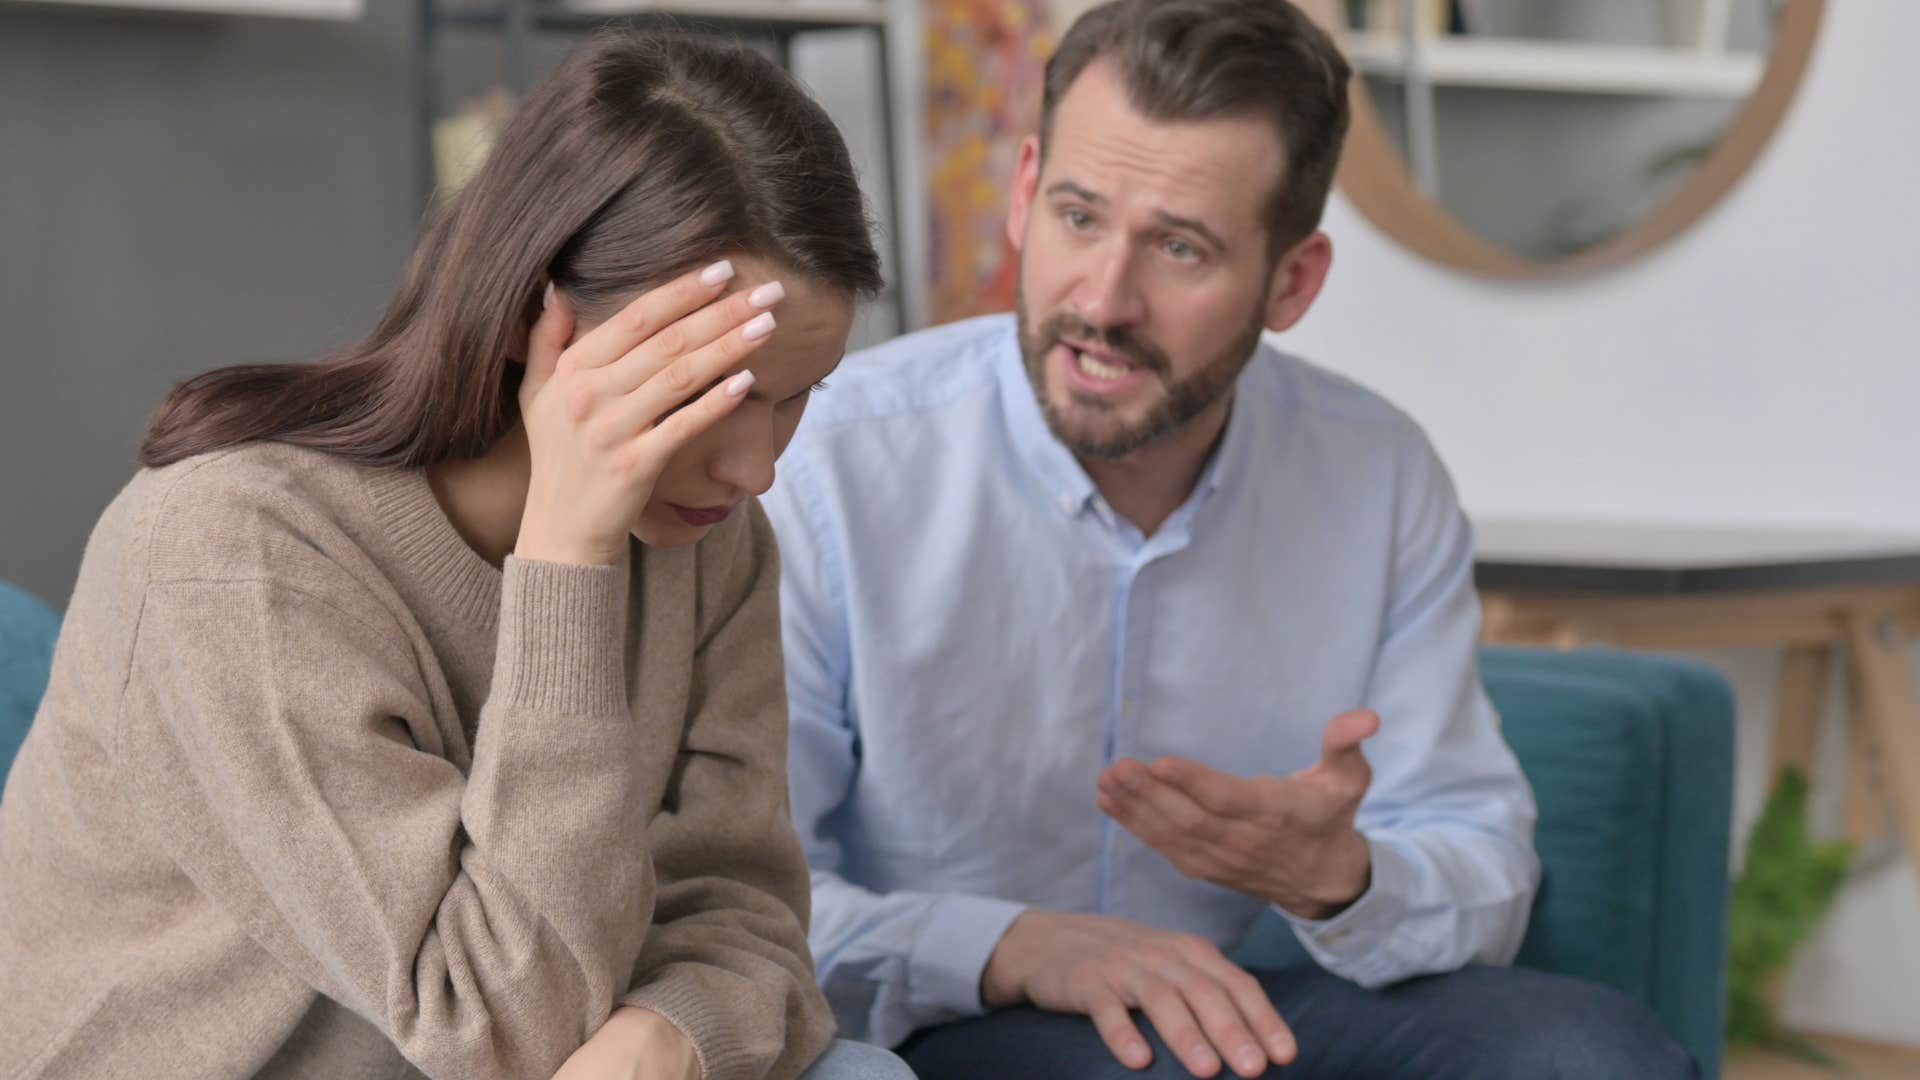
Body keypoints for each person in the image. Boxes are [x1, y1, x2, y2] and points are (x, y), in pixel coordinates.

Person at [761, 2, 1698, 1077]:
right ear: (1023, 196)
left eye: (1178, 247)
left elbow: (1481, 859)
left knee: (1594, 1055)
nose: (1104, 301)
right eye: (1077, 217)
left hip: (1246, 1004)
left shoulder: (1378, 477)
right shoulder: (833, 465)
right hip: (952, 1016)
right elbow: (750, 903)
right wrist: (1018, 946)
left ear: (1291, 282)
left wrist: (1338, 875)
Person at [0, 32, 912, 1080]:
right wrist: (569, 560)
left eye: (799, 395)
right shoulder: (234, 556)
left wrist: (676, 1037)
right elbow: (496, 1025)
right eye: (712, 394)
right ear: (542, 316)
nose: (756, 468)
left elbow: (746, 910)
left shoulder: (708, 543)